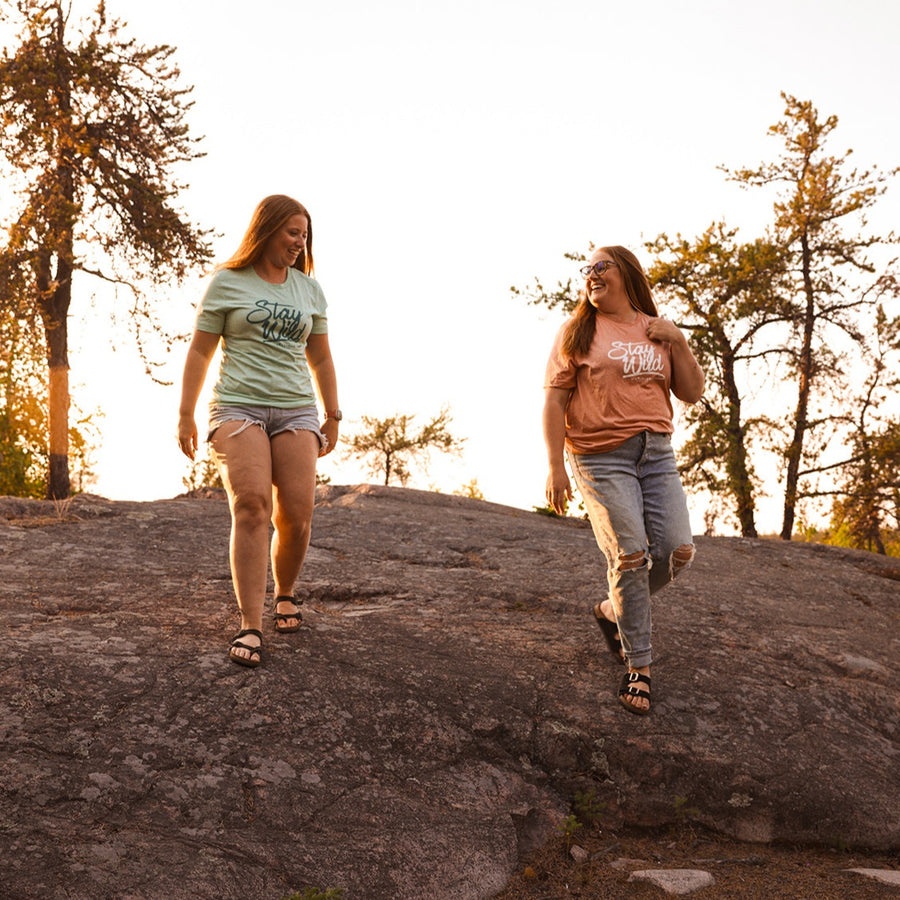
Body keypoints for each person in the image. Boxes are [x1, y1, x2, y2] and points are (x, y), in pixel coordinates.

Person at [177, 194, 340, 668]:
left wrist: (332, 413)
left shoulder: (309, 291)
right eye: (292, 232)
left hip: (296, 411)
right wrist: (186, 413)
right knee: (251, 505)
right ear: (267, 230)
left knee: (297, 515)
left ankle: (284, 591)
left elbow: (322, 357)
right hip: (237, 408)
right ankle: (251, 622)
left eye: (304, 235)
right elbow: (200, 352)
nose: (299, 242)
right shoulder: (227, 283)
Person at [543, 245, 704, 715]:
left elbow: (691, 392)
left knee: (678, 551)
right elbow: (554, 403)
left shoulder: (656, 330)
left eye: (600, 267)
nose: (590, 276)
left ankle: (613, 609)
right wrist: (555, 466)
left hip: (655, 454)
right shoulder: (577, 332)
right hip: (600, 458)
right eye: (585, 270)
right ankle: (639, 667)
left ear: (627, 275)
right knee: (630, 555)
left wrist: (679, 340)